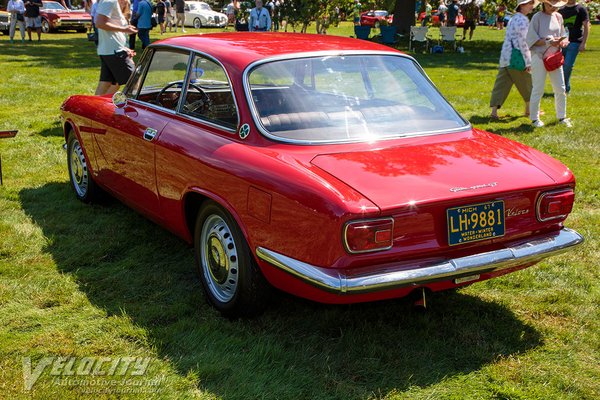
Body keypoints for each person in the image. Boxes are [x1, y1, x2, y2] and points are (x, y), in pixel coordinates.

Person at [490, 0, 539, 120]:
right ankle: (529, 110)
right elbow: (523, 42)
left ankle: (494, 112)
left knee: (501, 85)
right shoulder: (523, 20)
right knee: (527, 83)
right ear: (522, 6)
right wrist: (528, 61)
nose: (532, 6)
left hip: (506, 56)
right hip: (517, 57)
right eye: (530, 4)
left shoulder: (513, 18)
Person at [526, 0, 570, 127]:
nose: (553, 8)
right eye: (550, 5)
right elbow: (531, 39)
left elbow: (563, 34)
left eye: (555, 6)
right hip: (539, 57)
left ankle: (562, 117)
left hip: (554, 57)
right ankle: (534, 119)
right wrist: (548, 41)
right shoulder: (537, 17)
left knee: (560, 88)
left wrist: (562, 42)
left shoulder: (558, 16)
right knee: (538, 88)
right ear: (543, 4)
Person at [94, 0, 137, 96]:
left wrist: (125, 46)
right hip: (115, 51)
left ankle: (97, 108)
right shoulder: (110, 1)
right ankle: (139, 108)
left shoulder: (111, 2)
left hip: (111, 50)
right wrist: (124, 29)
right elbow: (99, 23)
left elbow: (109, 26)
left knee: (108, 84)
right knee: (134, 80)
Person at [559, 0, 590, 94]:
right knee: (561, 67)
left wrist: (583, 43)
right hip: (562, 42)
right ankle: (564, 88)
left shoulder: (581, 9)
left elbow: (586, 26)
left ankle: (564, 89)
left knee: (567, 66)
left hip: (575, 42)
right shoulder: (561, 9)